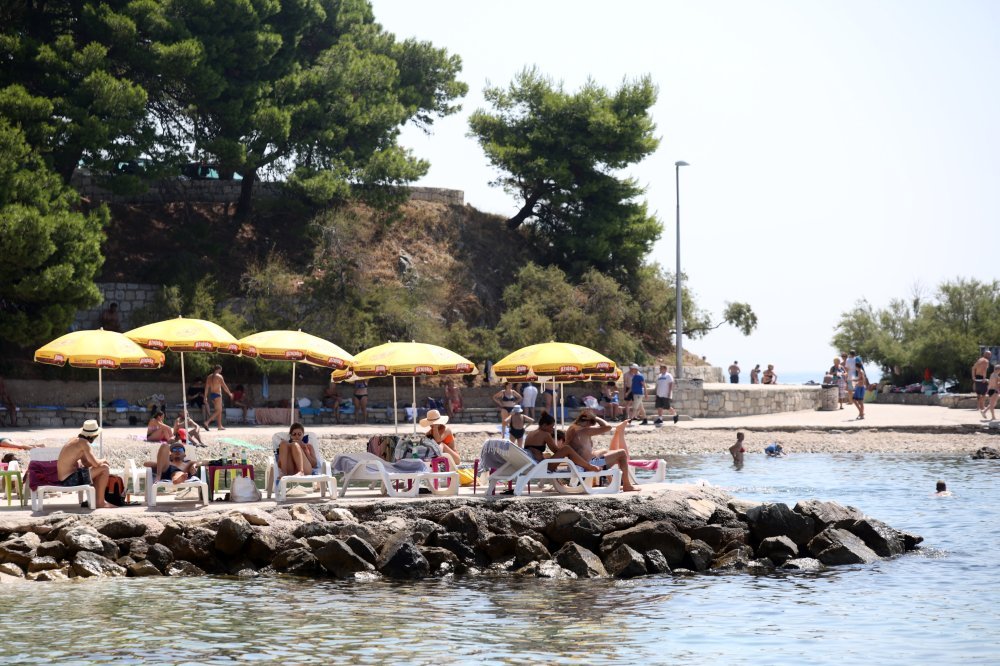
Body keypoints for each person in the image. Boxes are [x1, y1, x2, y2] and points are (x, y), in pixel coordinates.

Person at [564, 410, 639, 492]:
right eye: (591, 425)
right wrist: (596, 418)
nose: (590, 427)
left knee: (604, 451)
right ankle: (627, 485)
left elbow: (580, 450)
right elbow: (608, 427)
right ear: (588, 422)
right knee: (622, 453)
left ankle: (611, 483)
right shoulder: (585, 430)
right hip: (589, 465)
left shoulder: (571, 429)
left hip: (578, 464)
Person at [58, 420, 113, 508]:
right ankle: (100, 502)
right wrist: (103, 460)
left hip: (65, 479)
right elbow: (95, 464)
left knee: (100, 469)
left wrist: (98, 464)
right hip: (69, 480)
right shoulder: (84, 443)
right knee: (104, 468)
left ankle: (95, 500)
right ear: (93, 436)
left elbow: (86, 463)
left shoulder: (76, 441)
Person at [522, 412, 600, 470]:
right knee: (567, 448)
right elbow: (556, 450)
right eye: (551, 427)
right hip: (542, 466)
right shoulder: (545, 434)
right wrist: (571, 450)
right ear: (544, 425)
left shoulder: (531, 433)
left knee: (565, 450)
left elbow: (534, 450)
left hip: (533, 464)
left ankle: (584, 464)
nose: (552, 429)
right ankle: (589, 466)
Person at [204, 365, 233, 430]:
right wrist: (229, 393)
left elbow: (206, 388)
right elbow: (224, 386)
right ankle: (207, 422)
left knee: (218, 410)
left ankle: (219, 426)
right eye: (221, 369)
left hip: (212, 395)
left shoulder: (209, 377)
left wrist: (205, 397)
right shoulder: (219, 376)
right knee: (219, 410)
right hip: (217, 394)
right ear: (218, 369)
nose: (221, 371)